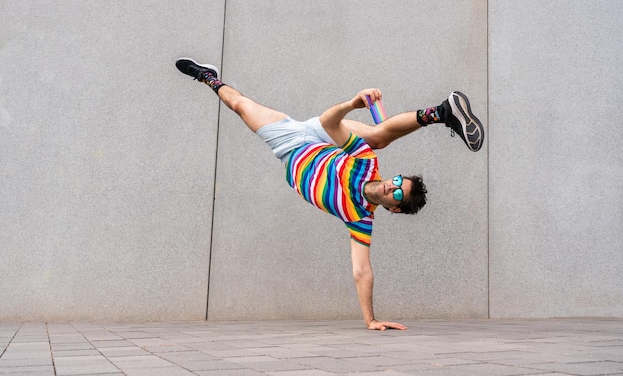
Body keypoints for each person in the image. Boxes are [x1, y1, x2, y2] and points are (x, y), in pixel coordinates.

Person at [176, 58, 484, 331]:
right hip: (320, 134)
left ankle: (208, 76)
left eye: (398, 195)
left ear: (395, 210)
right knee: (376, 137)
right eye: (398, 180)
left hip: (290, 147)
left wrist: (370, 320)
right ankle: (443, 111)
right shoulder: (367, 163)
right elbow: (327, 122)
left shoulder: (360, 218)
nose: (393, 186)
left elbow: (362, 271)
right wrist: (353, 103)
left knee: (240, 106)